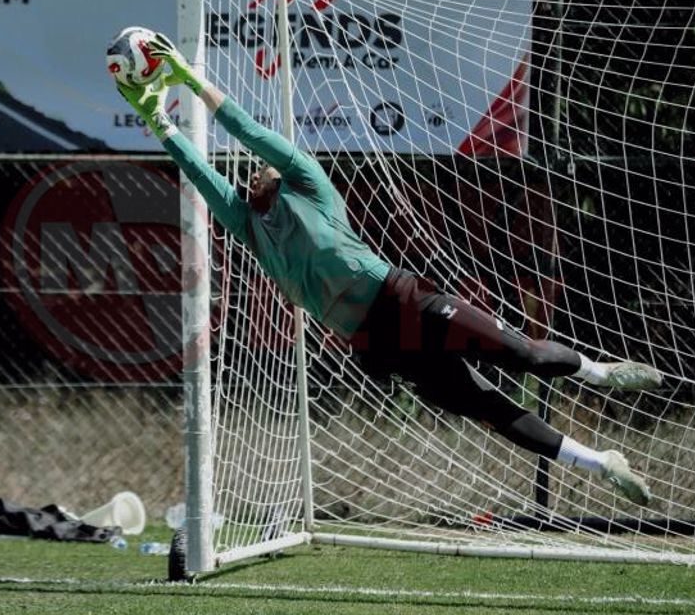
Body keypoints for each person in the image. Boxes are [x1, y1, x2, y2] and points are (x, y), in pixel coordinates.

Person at [116, 31, 663, 506]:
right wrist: (158, 120)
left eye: (263, 166)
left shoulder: (309, 185)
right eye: (250, 173)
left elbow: (245, 129)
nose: (253, 170)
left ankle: (602, 374)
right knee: (490, 410)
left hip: (405, 301)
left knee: (522, 356)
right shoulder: (251, 228)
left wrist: (189, 77)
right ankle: (601, 464)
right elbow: (200, 173)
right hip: (375, 342)